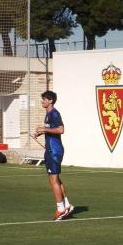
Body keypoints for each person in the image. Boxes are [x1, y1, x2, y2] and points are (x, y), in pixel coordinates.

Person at [34, 90, 73, 220]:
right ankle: (66, 205)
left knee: (53, 179)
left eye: (44, 99)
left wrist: (44, 129)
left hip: (54, 151)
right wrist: (42, 132)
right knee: (54, 179)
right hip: (51, 149)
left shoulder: (54, 113)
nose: (42, 101)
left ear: (50, 101)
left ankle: (60, 209)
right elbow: (52, 130)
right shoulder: (48, 114)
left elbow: (61, 129)